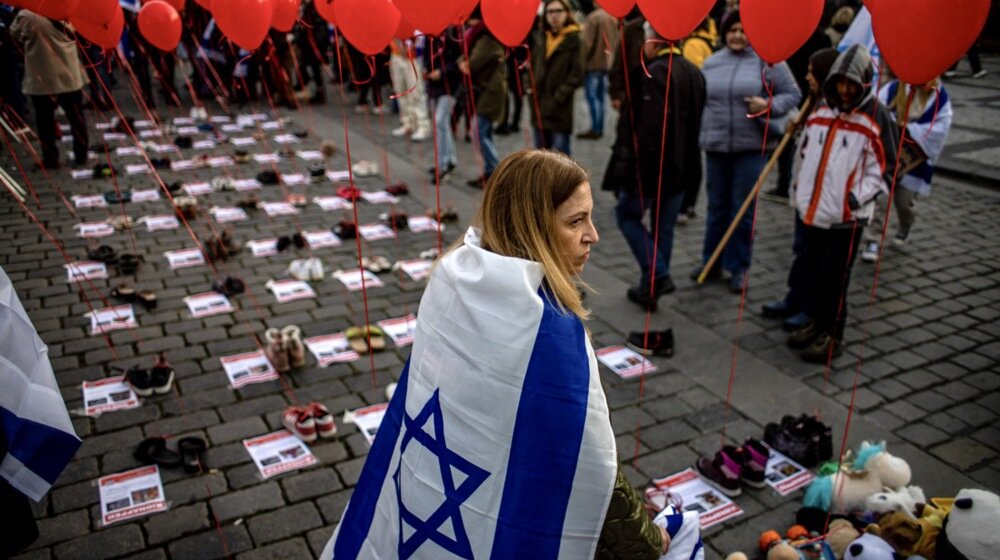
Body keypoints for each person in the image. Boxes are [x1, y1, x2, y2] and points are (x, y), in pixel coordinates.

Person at [321, 150, 701, 559]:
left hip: (418, 492)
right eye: (576, 221)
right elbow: (586, 465)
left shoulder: (453, 275)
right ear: (533, 226)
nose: (593, 235)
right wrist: (646, 540)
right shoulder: (550, 333)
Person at [787, 45, 898, 362]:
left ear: (863, 82)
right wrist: (800, 191)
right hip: (813, 210)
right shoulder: (822, 109)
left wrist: (854, 199)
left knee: (835, 279)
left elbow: (884, 168)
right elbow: (807, 152)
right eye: (840, 83)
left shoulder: (876, 116)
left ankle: (833, 335)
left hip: (845, 218)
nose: (846, 91)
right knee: (814, 272)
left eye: (852, 84)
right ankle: (816, 324)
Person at [694, 9, 801, 293]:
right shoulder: (713, 62)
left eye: (743, 30)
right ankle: (711, 262)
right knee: (716, 207)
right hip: (716, 146)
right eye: (733, 30)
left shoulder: (769, 62)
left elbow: (793, 94)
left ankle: (739, 267)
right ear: (725, 33)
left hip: (751, 146)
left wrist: (767, 106)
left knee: (742, 209)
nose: (738, 36)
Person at [613, 24, 706, 312]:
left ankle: (656, 273)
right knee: (663, 228)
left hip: (654, 170)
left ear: (653, 40)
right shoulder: (694, 72)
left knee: (627, 215)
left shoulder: (653, 72)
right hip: (681, 168)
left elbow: (649, 131)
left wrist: (635, 172)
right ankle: (650, 288)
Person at [760, 48, 839, 332]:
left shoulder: (834, 112)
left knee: (814, 256)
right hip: (803, 194)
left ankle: (809, 307)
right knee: (801, 251)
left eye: (811, 71)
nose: (806, 76)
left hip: (822, 199)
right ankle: (793, 298)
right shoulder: (814, 105)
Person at [860, 75, 952, 262]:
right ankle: (873, 240)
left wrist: (910, 130)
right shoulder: (895, 88)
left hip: (913, 158)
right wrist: (892, 124)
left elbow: (941, 126)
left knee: (904, 202)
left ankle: (905, 223)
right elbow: (876, 110)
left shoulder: (939, 95)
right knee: (880, 199)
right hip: (888, 152)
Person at [11, 9, 90, 170]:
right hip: (69, 73)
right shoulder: (68, 9)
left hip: (42, 76)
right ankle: (81, 153)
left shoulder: (27, 15)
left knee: (44, 120)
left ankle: (50, 158)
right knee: (76, 116)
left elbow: (14, 35)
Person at [460, 8, 506, 187]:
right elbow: (463, 59)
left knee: (478, 132)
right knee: (482, 132)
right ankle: (490, 171)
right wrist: (462, 62)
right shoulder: (480, 36)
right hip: (486, 91)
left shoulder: (487, 38)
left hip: (491, 93)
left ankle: (495, 173)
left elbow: (472, 62)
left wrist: (465, 63)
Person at [531, 0, 584, 155]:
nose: (554, 15)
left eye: (558, 11)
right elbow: (532, 65)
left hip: (560, 106)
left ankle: (565, 181)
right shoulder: (541, 37)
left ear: (567, 13)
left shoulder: (574, 39)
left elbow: (577, 74)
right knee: (540, 155)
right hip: (539, 105)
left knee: (562, 156)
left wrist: (560, 95)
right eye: (550, 11)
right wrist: (530, 87)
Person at [423, 25, 463, 181]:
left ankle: (443, 165)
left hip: (450, 86)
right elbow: (427, 55)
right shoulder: (430, 33)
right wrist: (427, 69)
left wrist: (442, 71)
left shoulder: (453, 32)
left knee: (440, 121)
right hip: (433, 86)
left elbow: (459, 59)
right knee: (442, 123)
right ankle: (451, 159)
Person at [577, 5, 619, 140]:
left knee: (593, 97)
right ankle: (598, 127)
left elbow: (586, 45)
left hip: (594, 64)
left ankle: (596, 128)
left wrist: (581, 63)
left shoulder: (593, 18)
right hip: (607, 63)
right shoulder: (613, 18)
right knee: (600, 97)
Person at [388, 36, 432, 141]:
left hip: (413, 56)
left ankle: (423, 125)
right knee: (400, 91)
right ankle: (407, 122)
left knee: (416, 92)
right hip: (396, 53)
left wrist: (412, 47)